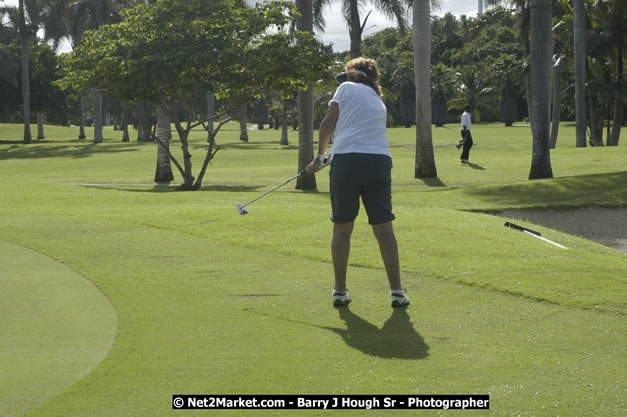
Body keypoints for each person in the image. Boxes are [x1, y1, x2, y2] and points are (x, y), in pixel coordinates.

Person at [306, 57, 410, 308]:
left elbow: (326, 125)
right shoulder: (376, 99)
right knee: (384, 230)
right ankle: (397, 292)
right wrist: (332, 156)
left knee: (342, 228)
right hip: (379, 162)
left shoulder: (345, 88)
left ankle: (340, 292)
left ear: (352, 74)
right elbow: (357, 136)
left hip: (348, 164)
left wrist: (320, 157)